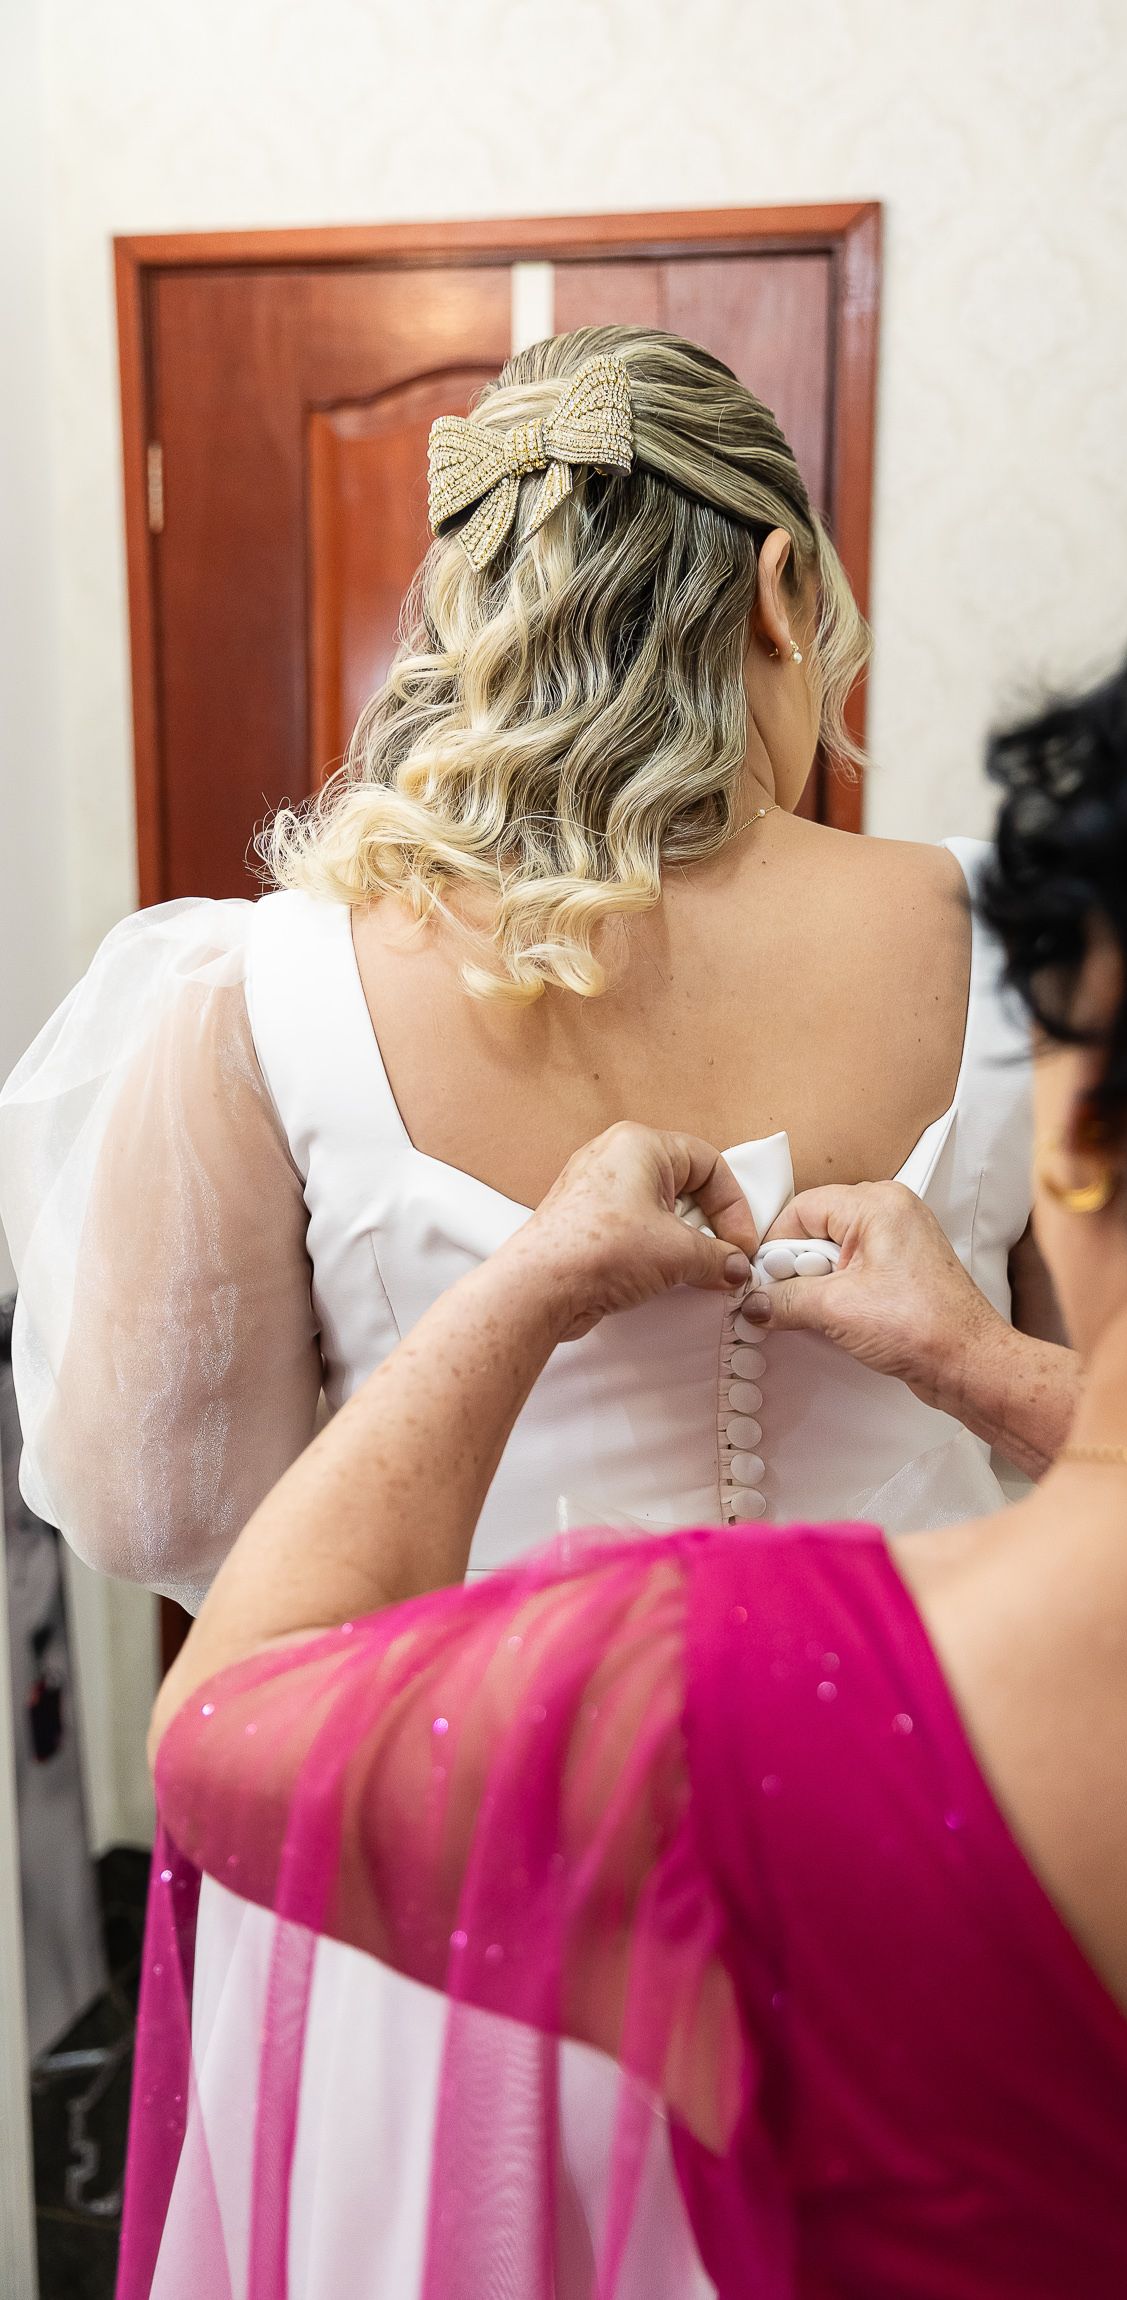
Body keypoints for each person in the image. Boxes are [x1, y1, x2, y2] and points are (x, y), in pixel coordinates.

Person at [123, 464, 1127, 2299]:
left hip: (527, 1880)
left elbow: (225, 1712)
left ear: (1088, 1120)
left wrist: (519, 1289)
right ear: (786, 593)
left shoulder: (742, 1717)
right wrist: (984, 1360)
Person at [0, 327, 1070, 2295]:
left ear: (472, 608)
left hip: (440, 1895)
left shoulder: (268, 982)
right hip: (931, 1854)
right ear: (776, 590)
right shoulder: (1025, 940)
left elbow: (179, 1518)